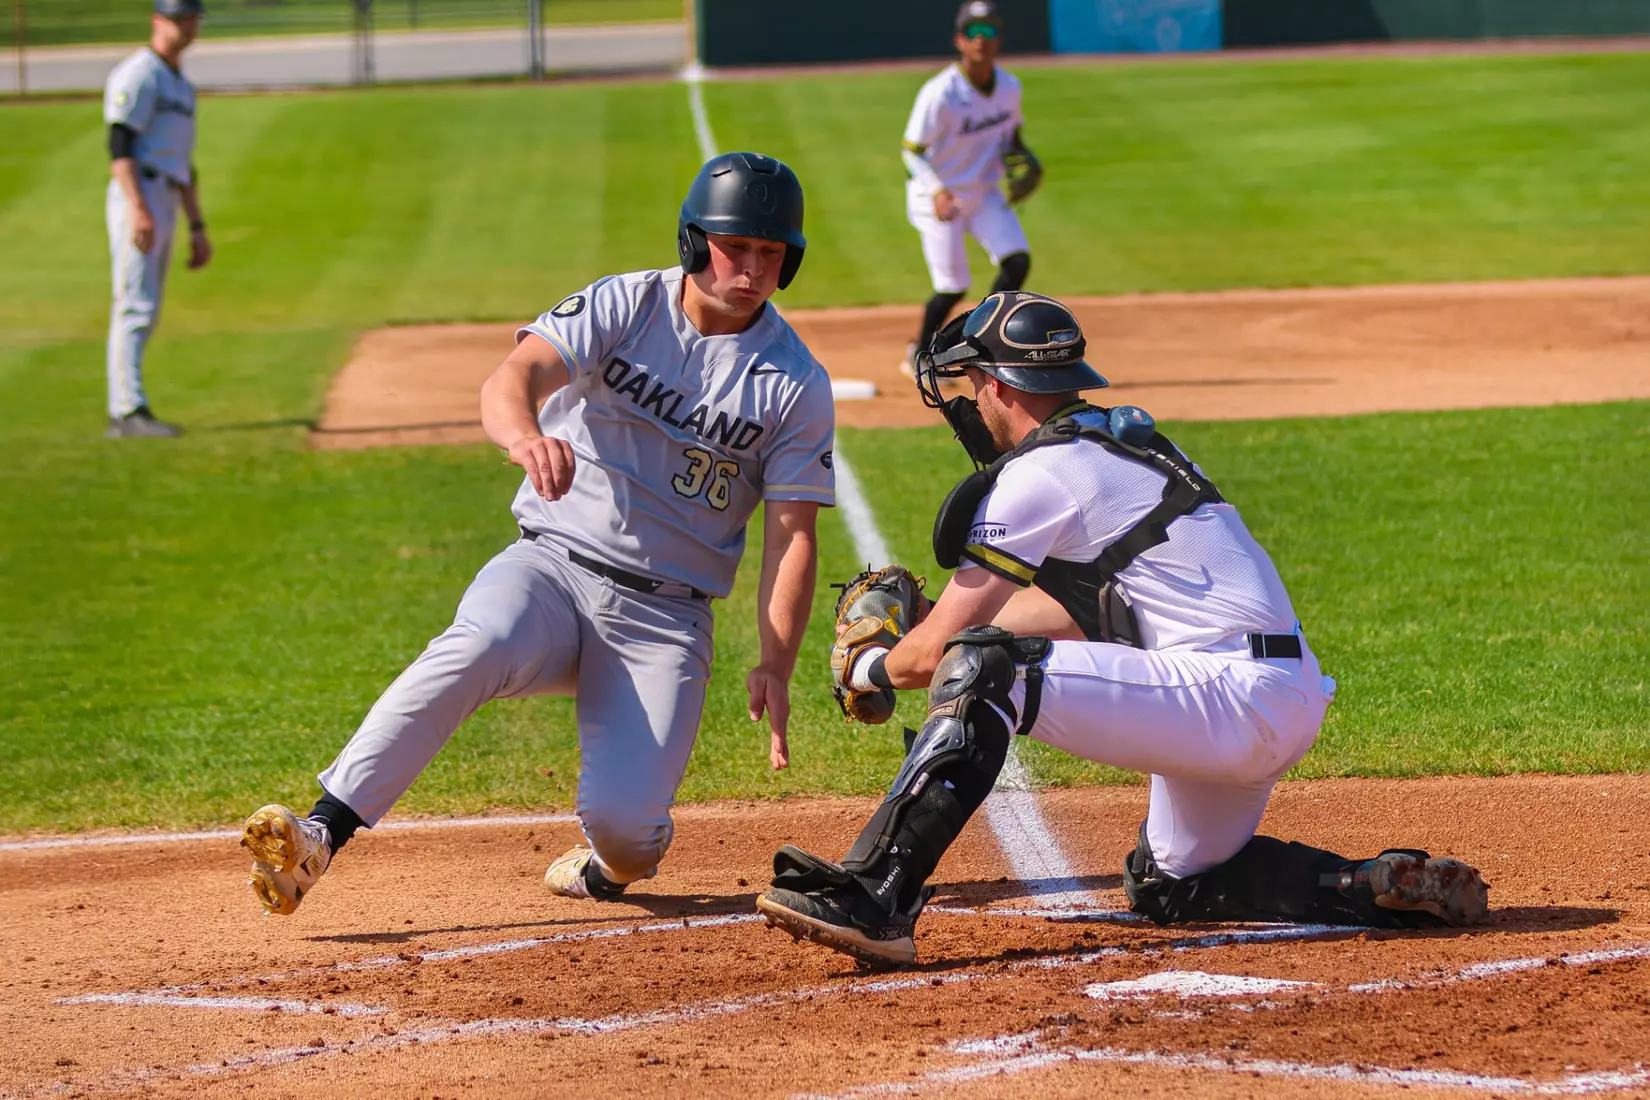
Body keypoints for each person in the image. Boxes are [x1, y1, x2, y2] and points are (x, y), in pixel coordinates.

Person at [756, 291, 1490, 965]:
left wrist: (865, 669)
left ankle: (877, 896)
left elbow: (937, 654)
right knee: (1170, 885)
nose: (971, 403)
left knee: (986, 670)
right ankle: (1361, 884)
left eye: (973, 385)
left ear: (1001, 388)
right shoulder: (1119, 449)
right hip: (1266, 695)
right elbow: (1083, 618)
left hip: (1225, 697)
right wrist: (920, 628)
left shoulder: (1039, 473)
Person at [241, 152, 836, 916]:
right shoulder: (627, 304)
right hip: (551, 569)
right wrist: (524, 438)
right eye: (735, 245)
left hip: (666, 616)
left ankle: (604, 871)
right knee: (479, 641)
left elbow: (794, 536)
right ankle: (320, 835)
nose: (751, 267)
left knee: (630, 834)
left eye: (770, 252)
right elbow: (511, 379)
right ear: (694, 241)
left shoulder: (794, 382)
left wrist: (777, 660)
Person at [898, 0, 1036, 377]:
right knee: (952, 287)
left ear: (999, 38)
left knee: (1017, 262)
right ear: (960, 40)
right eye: (974, 33)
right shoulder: (939, 93)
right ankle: (922, 354)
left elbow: (1011, 135)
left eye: (989, 31)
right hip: (938, 198)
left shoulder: (1010, 87)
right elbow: (911, 152)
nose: (982, 40)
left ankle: (984, 341)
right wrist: (937, 190)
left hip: (984, 192)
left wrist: (1028, 163)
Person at [103, 0, 212, 440]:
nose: (185, 27)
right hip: (141, 194)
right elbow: (119, 144)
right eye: (177, 18)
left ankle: (131, 406)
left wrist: (198, 226)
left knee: (147, 305)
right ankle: (127, 412)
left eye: (191, 18)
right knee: (134, 304)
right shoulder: (140, 74)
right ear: (157, 22)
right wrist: (139, 208)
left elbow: (184, 162)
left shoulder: (180, 83)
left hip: (165, 194)